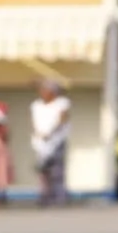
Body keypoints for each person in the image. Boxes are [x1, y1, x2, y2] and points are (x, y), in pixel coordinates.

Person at [30, 80, 71, 208]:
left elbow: (62, 119)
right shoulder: (36, 105)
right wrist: (39, 135)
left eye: (45, 90)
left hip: (56, 141)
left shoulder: (62, 103)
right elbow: (34, 122)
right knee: (43, 172)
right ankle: (44, 197)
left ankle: (59, 198)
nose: (42, 93)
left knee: (57, 172)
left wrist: (50, 132)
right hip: (41, 144)